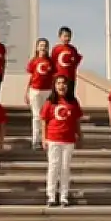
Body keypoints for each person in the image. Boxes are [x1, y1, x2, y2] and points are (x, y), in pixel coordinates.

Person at [39, 76, 82, 207]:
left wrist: (79, 134)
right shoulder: (50, 102)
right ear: (54, 85)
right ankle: (51, 196)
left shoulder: (73, 102)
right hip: (53, 139)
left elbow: (77, 120)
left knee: (65, 168)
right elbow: (43, 120)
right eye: (58, 83)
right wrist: (43, 138)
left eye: (63, 83)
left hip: (68, 140)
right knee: (53, 167)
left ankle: (64, 196)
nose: (61, 86)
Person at [24, 38, 55, 150]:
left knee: (47, 116)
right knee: (36, 116)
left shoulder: (51, 62)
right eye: (41, 45)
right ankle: (35, 140)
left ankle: (46, 139)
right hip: (35, 91)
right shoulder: (33, 61)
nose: (43, 47)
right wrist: (26, 92)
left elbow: (53, 78)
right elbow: (30, 77)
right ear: (37, 47)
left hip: (47, 91)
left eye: (45, 45)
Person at [51, 26, 83, 96]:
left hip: (70, 79)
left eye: (69, 36)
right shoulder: (56, 49)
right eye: (65, 36)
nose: (67, 38)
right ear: (60, 36)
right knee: (57, 98)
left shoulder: (73, 49)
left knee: (69, 98)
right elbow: (52, 63)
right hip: (58, 79)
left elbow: (76, 62)